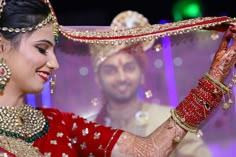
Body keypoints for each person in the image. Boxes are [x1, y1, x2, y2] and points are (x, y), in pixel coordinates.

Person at [0, 0, 235, 157]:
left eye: (53, 50)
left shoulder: (59, 124)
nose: (54, 63)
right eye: (42, 49)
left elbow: (149, 150)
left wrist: (213, 79)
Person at [94, 10, 211, 157]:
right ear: (98, 80)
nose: (121, 77)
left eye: (129, 68)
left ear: (142, 75)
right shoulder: (90, 129)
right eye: (111, 71)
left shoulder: (171, 121)